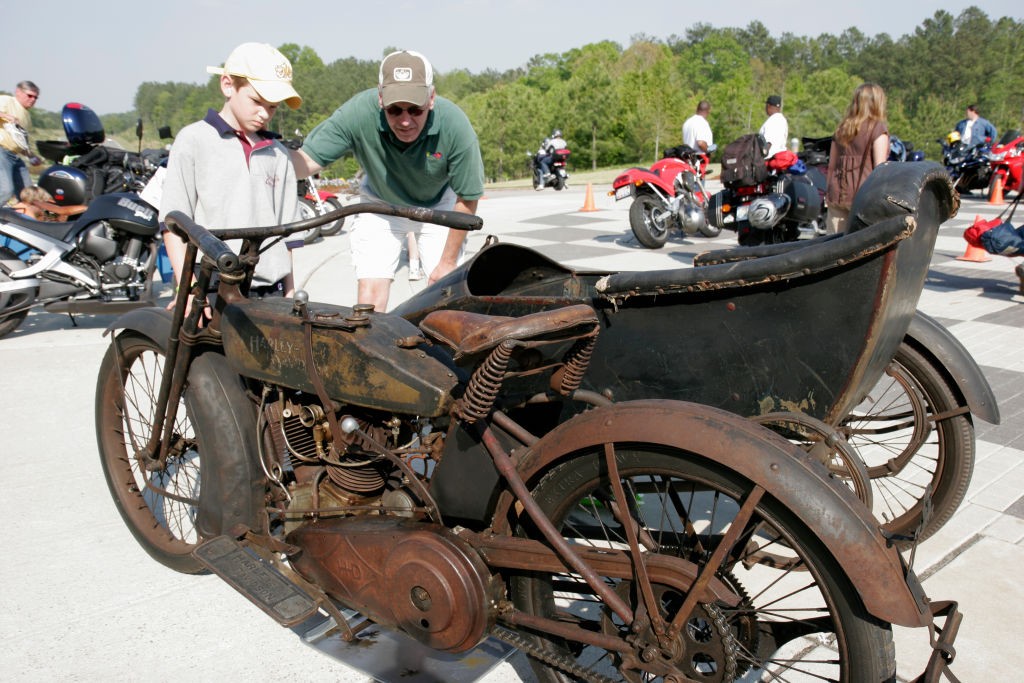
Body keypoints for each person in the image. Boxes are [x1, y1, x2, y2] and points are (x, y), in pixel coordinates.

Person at [292, 50, 484, 313]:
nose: (405, 121)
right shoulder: (358, 112)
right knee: (370, 292)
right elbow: (305, 162)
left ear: (432, 98)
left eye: (415, 109)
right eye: (395, 110)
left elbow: (468, 197)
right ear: (380, 98)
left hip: (439, 205)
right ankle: (368, 348)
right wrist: (265, 158)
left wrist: (448, 262)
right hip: (380, 203)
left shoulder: (455, 125)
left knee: (445, 290)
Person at [159, 43, 303, 301]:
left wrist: (290, 291)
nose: (264, 114)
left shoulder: (278, 153)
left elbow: (287, 236)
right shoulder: (194, 140)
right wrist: (188, 290)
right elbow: (173, 225)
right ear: (227, 85)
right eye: (257, 101)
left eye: (273, 107)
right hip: (213, 284)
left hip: (271, 288)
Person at [825, 83, 890, 235]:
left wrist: (828, 193)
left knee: (833, 247)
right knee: (859, 249)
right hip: (863, 195)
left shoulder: (842, 128)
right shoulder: (877, 129)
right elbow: (880, 168)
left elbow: (832, 165)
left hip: (837, 194)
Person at [0, 81, 42, 206]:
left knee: (29, 194)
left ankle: (21, 221)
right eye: (29, 96)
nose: (33, 99)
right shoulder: (7, 101)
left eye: (35, 97)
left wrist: (31, 155)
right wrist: (6, 116)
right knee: (6, 191)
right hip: (2, 151)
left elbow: (20, 142)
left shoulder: (26, 116)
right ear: (18, 92)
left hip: (14, 155)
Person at [759, 95, 789, 160]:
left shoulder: (773, 120)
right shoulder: (782, 119)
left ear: (768, 106)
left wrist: (758, 158)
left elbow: (768, 143)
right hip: (780, 158)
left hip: (770, 160)